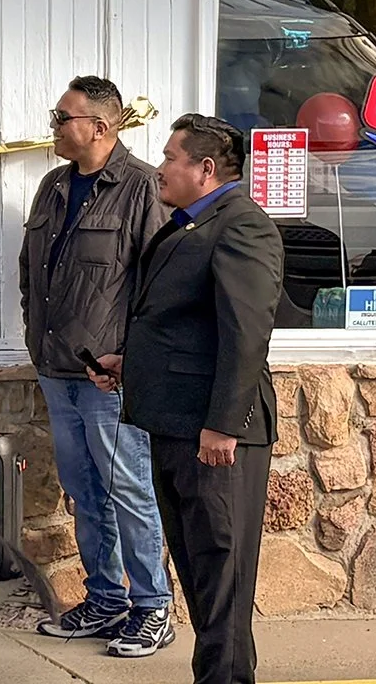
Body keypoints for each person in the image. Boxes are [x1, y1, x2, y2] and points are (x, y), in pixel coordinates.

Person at [91, 114, 282, 684]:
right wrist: (133, 366)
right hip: (176, 425)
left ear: (204, 169)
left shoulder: (242, 226)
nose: (159, 168)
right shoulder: (187, 225)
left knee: (221, 574)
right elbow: (186, 326)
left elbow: (246, 332)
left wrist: (224, 424)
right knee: (202, 575)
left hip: (216, 434)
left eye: (171, 157)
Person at [18, 76, 175, 656]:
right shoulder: (53, 186)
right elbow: (31, 274)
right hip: (56, 367)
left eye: (64, 117)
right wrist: (36, 339)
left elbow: (161, 286)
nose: (55, 126)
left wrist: (130, 359)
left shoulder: (141, 189)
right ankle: (106, 599)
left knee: (127, 487)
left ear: (101, 127)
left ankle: (153, 605)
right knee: (84, 490)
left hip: (109, 376)